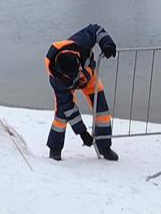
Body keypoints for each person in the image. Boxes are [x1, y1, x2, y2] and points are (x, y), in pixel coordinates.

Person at [45, 23, 118, 161]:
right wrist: (83, 132)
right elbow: (69, 108)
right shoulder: (57, 81)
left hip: (89, 79)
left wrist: (107, 43)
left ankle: (105, 147)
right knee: (61, 116)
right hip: (66, 89)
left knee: (102, 111)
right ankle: (55, 150)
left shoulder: (80, 42)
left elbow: (96, 29)